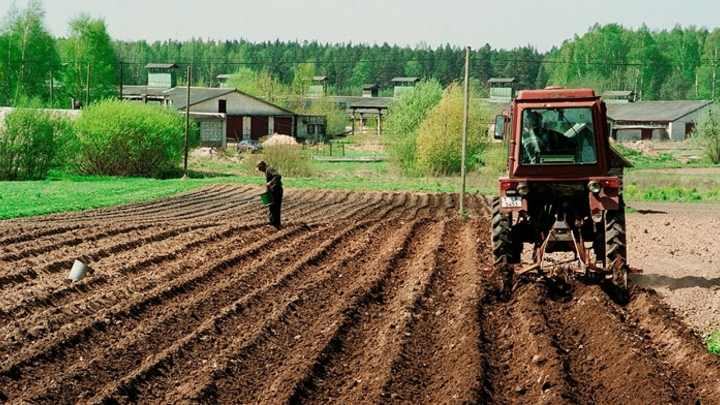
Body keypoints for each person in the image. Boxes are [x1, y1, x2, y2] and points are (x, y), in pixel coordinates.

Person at [256, 160, 283, 229]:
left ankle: (274, 224)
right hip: (274, 190)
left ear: (262, 166)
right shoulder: (266, 170)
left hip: (276, 190)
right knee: (273, 207)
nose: (259, 170)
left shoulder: (269, 169)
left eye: (259, 168)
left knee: (274, 207)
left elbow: (278, 176)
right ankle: (275, 223)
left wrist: (270, 183)